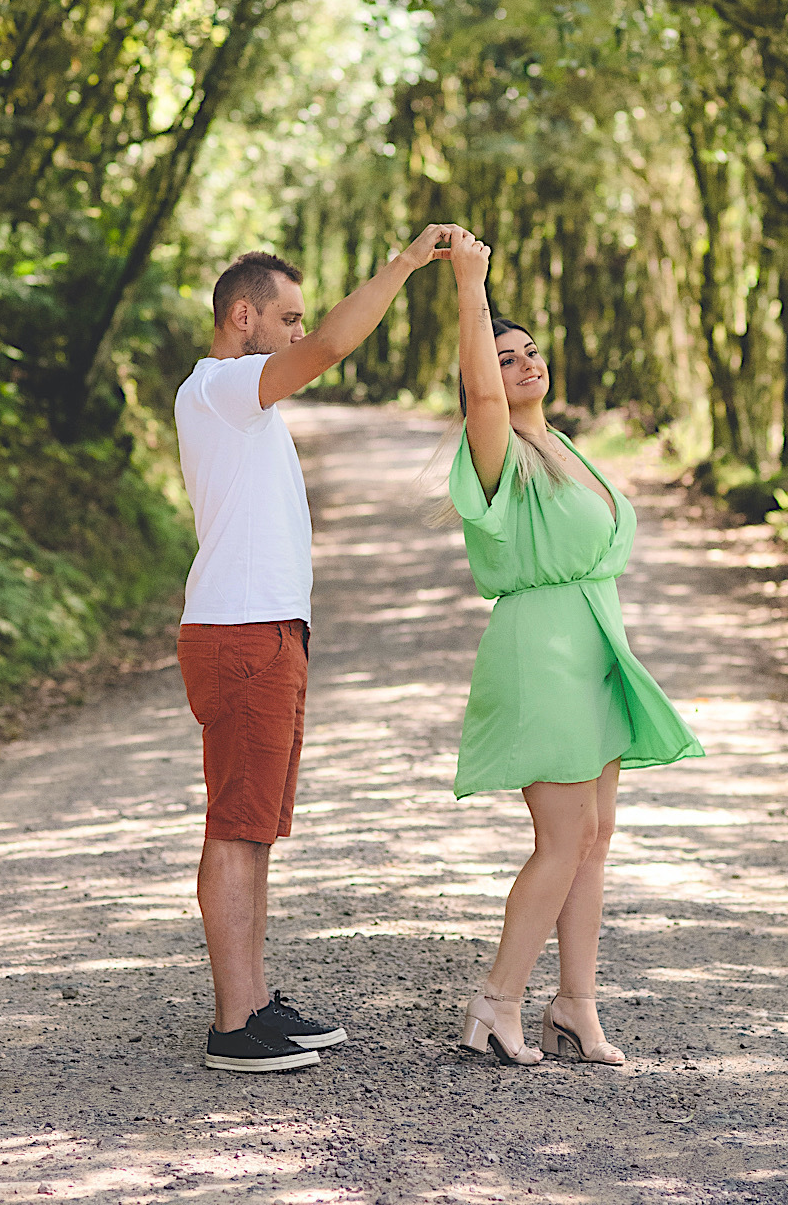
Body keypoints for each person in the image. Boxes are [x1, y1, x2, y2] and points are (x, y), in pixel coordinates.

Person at [174, 228, 459, 1073]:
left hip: (268, 629)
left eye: (301, 320)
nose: (300, 334)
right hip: (242, 631)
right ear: (242, 315)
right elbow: (337, 344)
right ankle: (234, 1028)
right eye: (287, 318)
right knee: (235, 825)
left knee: (254, 827)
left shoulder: (240, 403)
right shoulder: (223, 385)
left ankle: (255, 1003)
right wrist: (405, 263)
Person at [442, 228, 704, 1068]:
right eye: (503, 356)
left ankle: (576, 1007)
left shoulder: (564, 444)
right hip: (540, 651)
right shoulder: (500, 453)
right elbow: (485, 400)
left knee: (596, 834)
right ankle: (496, 1001)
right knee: (561, 838)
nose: (524, 365)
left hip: (594, 646)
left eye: (530, 352)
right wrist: (470, 286)